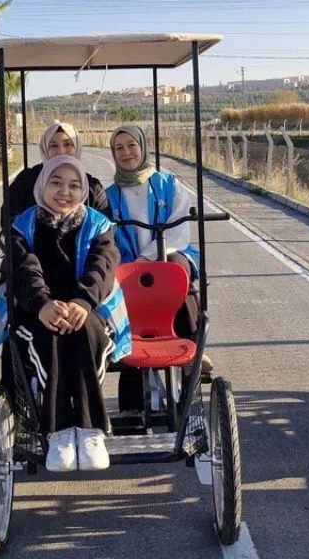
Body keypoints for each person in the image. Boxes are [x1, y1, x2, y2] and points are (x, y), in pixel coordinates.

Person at [0, 155, 129, 472]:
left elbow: (103, 266)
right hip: (36, 310)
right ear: (42, 186)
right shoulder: (22, 226)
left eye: (74, 185)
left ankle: (90, 430)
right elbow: (24, 270)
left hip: (87, 308)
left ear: (83, 190)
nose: (64, 191)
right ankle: (59, 432)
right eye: (56, 183)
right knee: (48, 337)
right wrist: (43, 305)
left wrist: (81, 302)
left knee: (85, 332)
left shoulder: (98, 225)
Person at [105, 125, 207, 412]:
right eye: (119, 148)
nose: (126, 152)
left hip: (170, 256)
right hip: (127, 268)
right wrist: (130, 265)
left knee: (176, 275)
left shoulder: (168, 185)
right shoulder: (108, 195)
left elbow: (178, 233)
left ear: (143, 147)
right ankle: (132, 399)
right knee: (120, 288)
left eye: (131, 145)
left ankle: (190, 356)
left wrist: (147, 260)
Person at [2, 121, 110, 225]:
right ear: (45, 149)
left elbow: (104, 227)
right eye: (53, 146)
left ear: (77, 147)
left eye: (68, 144)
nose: (61, 151)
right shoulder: (26, 181)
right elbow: (9, 222)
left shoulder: (93, 188)